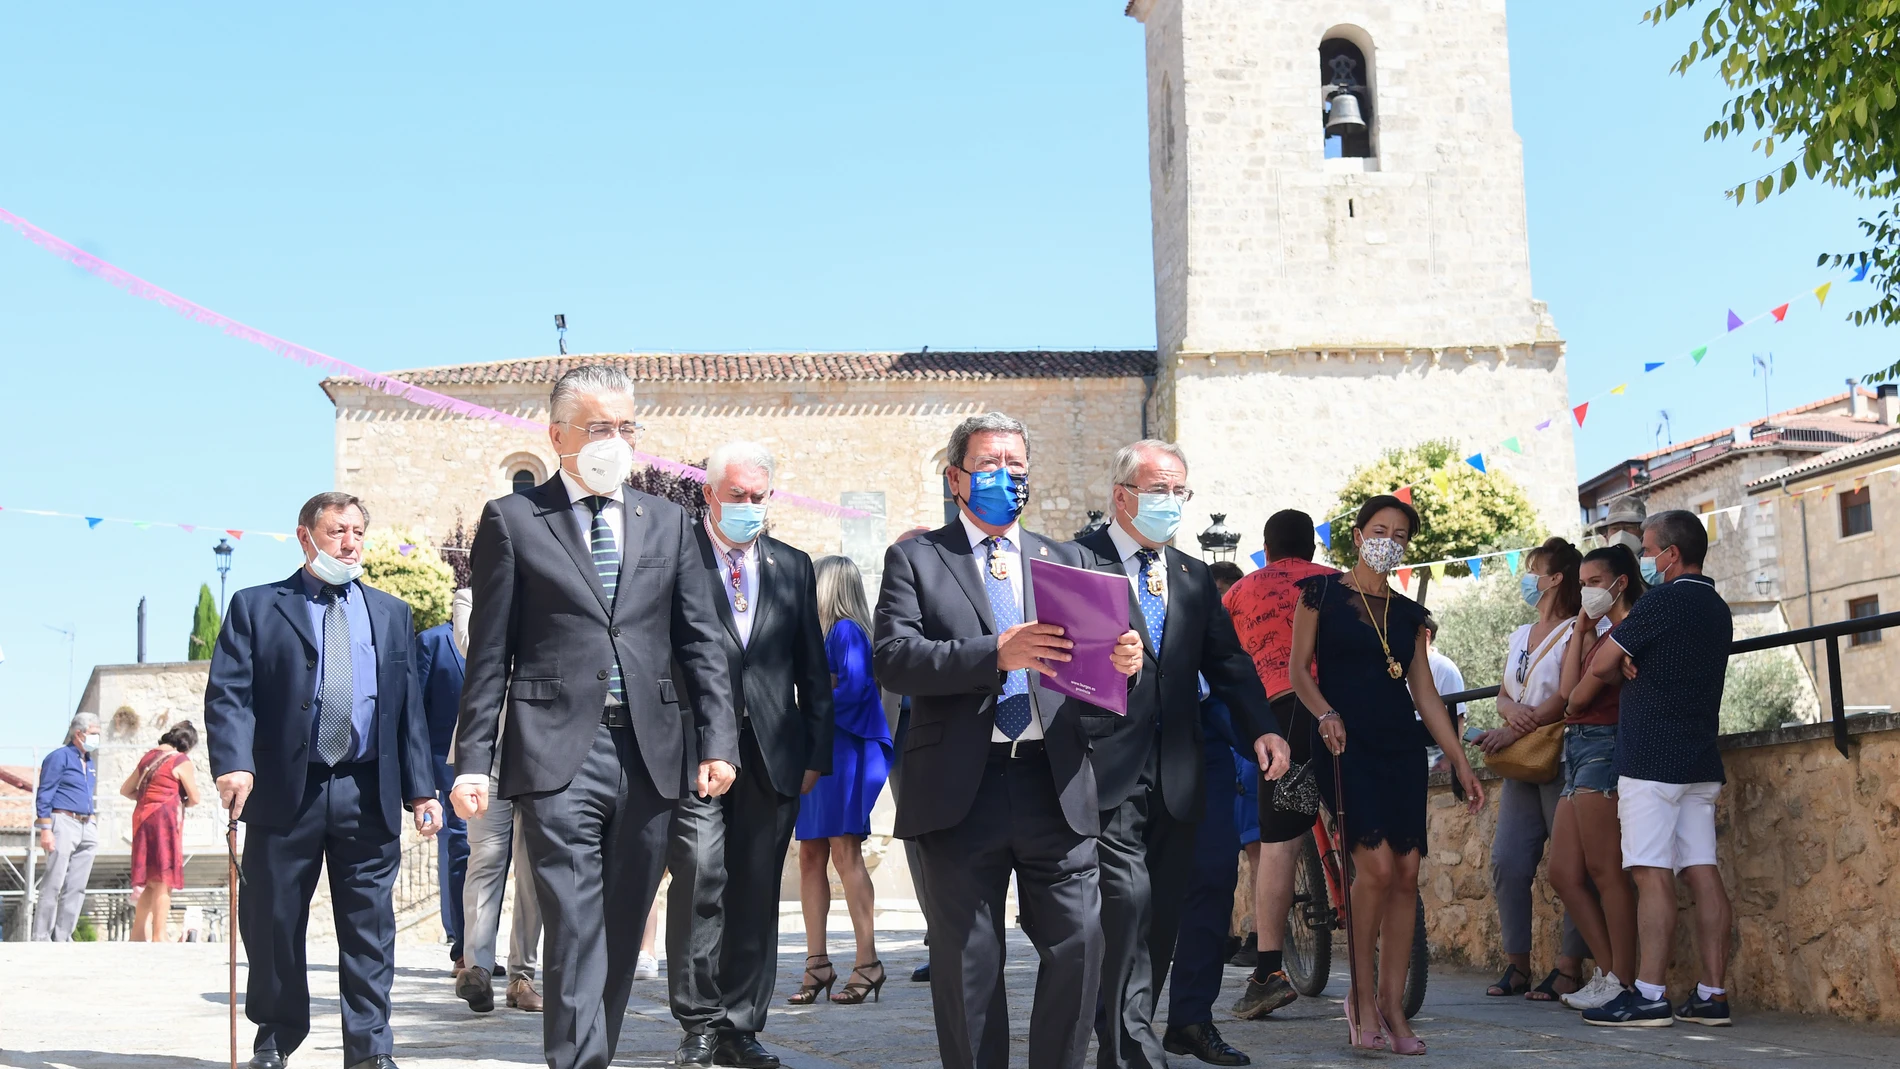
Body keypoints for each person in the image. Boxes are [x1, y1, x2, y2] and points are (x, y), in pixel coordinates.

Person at [451, 364, 737, 1069]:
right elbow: (489, 653)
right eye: (598, 426)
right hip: (555, 752)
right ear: (556, 435)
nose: (616, 440)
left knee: (617, 921)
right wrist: (472, 761)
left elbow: (700, 640)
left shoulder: (668, 521)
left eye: (626, 426)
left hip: (652, 750)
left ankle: (592, 1053)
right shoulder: (513, 520)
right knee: (574, 922)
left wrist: (717, 741)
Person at [872, 412, 1144, 1069]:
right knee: (968, 959)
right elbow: (895, 657)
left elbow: (1108, 662)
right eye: (990, 465)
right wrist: (995, 652)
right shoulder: (916, 558)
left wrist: (1127, 659)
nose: (1005, 477)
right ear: (956, 477)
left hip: (1055, 782)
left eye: (1016, 467)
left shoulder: (1069, 559)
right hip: (960, 789)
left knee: (1081, 944)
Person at [1071, 439, 1289, 1069]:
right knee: (1126, 906)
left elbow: (1226, 662)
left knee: (1167, 908)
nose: (1172, 502)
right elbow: (1059, 659)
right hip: (1106, 765)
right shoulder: (1077, 561)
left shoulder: (1193, 575)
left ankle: (1159, 1027)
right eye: (1159, 489)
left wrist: (1262, 728)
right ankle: (1127, 1041)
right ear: (1122, 495)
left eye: (1179, 491)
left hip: (1183, 767)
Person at [205, 492, 442, 1069]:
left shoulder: (390, 613)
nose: (350, 542)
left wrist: (422, 789)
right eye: (338, 531)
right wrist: (234, 762)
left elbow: (407, 710)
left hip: (367, 791)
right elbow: (230, 695)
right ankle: (276, 1037)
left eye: (358, 531)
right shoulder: (257, 607)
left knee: (369, 926)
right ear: (305, 536)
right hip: (288, 790)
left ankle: (370, 1049)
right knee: (274, 918)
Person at [1288, 495, 1485, 1055]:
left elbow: (1424, 692)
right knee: (1372, 870)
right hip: (1342, 742)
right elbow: (1299, 670)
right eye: (1380, 530)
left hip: (1400, 747)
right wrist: (1325, 713)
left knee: (1405, 875)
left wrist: (1463, 762)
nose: (1389, 541)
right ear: (1357, 535)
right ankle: (1362, 999)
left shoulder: (1408, 616)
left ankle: (1395, 1007)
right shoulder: (1320, 594)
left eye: (1400, 535)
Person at [667, 441, 833, 1069]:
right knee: (702, 876)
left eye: (759, 497)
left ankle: (741, 1024)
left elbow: (811, 668)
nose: (748, 506)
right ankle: (698, 1024)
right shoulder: (677, 558)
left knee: (757, 890)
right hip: (693, 754)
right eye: (736, 495)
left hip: (773, 754)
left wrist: (817, 751)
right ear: (709, 494)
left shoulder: (793, 565)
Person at [1583, 510, 1734, 1028]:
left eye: (1648, 549)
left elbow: (1602, 664)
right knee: (1702, 870)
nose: (1644, 558)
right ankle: (1713, 995)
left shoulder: (1664, 600)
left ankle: (1648, 993)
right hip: (1699, 755)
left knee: (1651, 873)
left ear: (1670, 554)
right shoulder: (1717, 606)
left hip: (1650, 757)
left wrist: (1620, 654)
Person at [1219, 509, 1335, 1022]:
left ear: (1266, 549)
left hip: (1284, 715)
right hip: (1343, 712)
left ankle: (1268, 972)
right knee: (1361, 828)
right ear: (1311, 547)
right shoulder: (1339, 583)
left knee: (1279, 842)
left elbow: (1226, 662)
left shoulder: (1240, 593)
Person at [1473, 538, 1591, 1003]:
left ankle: (1567, 967)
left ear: (1555, 578)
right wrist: (1511, 714)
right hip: (1522, 755)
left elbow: (1566, 693)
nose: (1528, 579)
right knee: (1508, 861)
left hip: (1557, 755)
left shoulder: (1575, 630)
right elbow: (1505, 693)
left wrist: (1525, 722)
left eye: (1534, 570)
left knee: (1572, 867)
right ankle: (1517, 964)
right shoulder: (1520, 634)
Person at [1162, 559, 1257, 1066]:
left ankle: (1191, 1021)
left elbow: (1232, 672)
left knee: (1213, 883)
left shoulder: (1198, 587)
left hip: (1210, 755)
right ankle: (1121, 1026)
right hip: (1134, 754)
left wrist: (1267, 733)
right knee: (1132, 897)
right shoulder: (1100, 569)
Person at [792, 555, 894, 1006]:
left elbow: (847, 693)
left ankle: (867, 961)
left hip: (844, 753)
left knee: (844, 851)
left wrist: (808, 692)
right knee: (810, 855)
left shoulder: (847, 630)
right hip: (820, 751)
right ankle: (817, 962)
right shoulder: (819, 636)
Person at [1550, 545, 1646, 1012]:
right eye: (1582, 582)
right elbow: (1567, 693)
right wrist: (1580, 633)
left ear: (1619, 583)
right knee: (1564, 872)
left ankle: (1622, 979)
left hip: (1603, 747)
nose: (1585, 591)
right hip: (1577, 747)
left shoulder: (1629, 632)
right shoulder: (1599, 631)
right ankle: (1609, 973)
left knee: (1606, 870)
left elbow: (1575, 700)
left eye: (1593, 582)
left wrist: (1591, 643)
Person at [450, 587, 545, 1015]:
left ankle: (522, 975)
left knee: (533, 867)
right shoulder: (471, 598)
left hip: (542, 752)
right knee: (485, 859)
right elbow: (477, 646)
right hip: (485, 754)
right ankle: (479, 969)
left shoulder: (554, 585)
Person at [416, 589, 470, 981]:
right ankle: (463, 946)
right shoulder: (432, 641)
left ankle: (481, 947)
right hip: (445, 770)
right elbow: (415, 711)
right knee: (460, 850)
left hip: (499, 767)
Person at [122, 719, 203, 942]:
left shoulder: (149, 756)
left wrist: (149, 798)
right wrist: (175, 800)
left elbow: (126, 790)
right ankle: (159, 935)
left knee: (151, 881)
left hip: (142, 819)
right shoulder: (180, 760)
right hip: (164, 822)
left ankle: (137, 934)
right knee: (164, 881)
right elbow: (194, 797)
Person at [31, 713, 101, 942]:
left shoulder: (89, 761)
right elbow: (45, 793)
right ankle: (41, 936)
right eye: (93, 734)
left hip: (87, 823)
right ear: (78, 734)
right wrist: (46, 828)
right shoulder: (59, 757)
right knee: (54, 882)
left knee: (77, 885)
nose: (97, 738)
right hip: (63, 821)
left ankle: (63, 935)